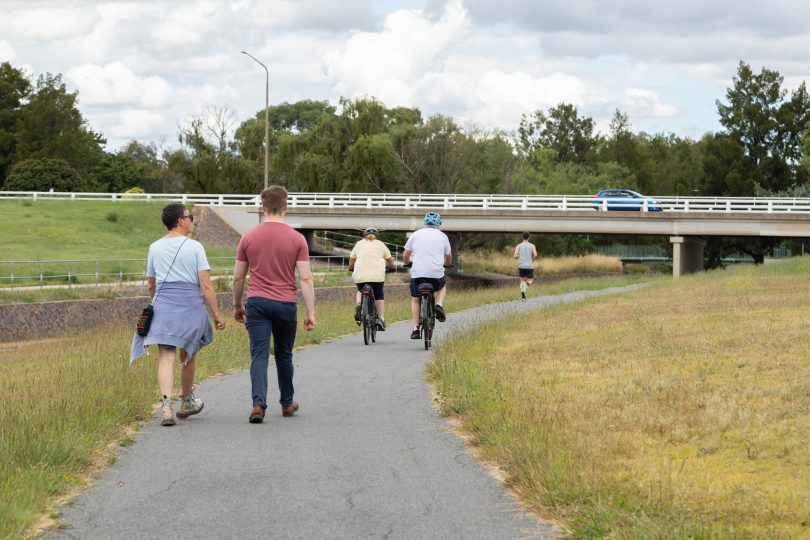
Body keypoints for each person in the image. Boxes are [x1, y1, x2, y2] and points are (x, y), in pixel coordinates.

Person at [130, 203, 226, 427]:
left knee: (166, 356)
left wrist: (153, 303)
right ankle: (186, 401)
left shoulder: (155, 247)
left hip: (163, 304)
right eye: (189, 216)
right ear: (180, 221)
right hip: (190, 305)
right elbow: (206, 285)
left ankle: (166, 408)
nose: (192, 219)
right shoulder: (195, 247)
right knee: (189, 354)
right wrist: (217, 315)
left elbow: (151, 283)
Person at [232, 185, 316, 424]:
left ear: (262, 206)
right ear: (285, 206)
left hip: (257, 302)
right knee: (284, 354)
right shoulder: (297, 239)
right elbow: (306, 278)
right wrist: (310, 312)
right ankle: (287, 403)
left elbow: (238, 277)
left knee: (259, 354)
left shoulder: (248, 236)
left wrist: (238, 305)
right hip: (285, 303)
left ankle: (258, 404)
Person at [402, 212, 451, 339]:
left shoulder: (416, 234)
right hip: (436, 276)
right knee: (442, 285)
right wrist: (447, 264)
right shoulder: (443, 236)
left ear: (425, 222)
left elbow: (406, 255)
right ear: (439, 224)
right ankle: (439, 305)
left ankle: (415, 329)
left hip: (418, 275)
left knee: (415, 299)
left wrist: (407, 263)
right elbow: (449, 256)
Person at [349, 227, 395, 330]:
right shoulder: (381, 244)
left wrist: (351, 268)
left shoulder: (358, 244)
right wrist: (392, 268)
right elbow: (390, 260)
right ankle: (381, 319)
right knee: (379, 295)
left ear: (363, 236)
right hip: (377, 276)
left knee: (360, 289)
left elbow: (352, 260)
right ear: (377, 236)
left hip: (360, 274)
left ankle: (359, 304)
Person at [514, 231, 538, 301]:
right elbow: (535, 255)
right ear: (529, 237)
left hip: (521, 266)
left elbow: (515, 256)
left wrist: (519, 255)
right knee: (530, 280)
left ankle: (523, 297)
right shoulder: (532, 245)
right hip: (529, 266)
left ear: (522, 237)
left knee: (522, 281)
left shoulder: (518, 246)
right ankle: (527, 284)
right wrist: (532, 259)